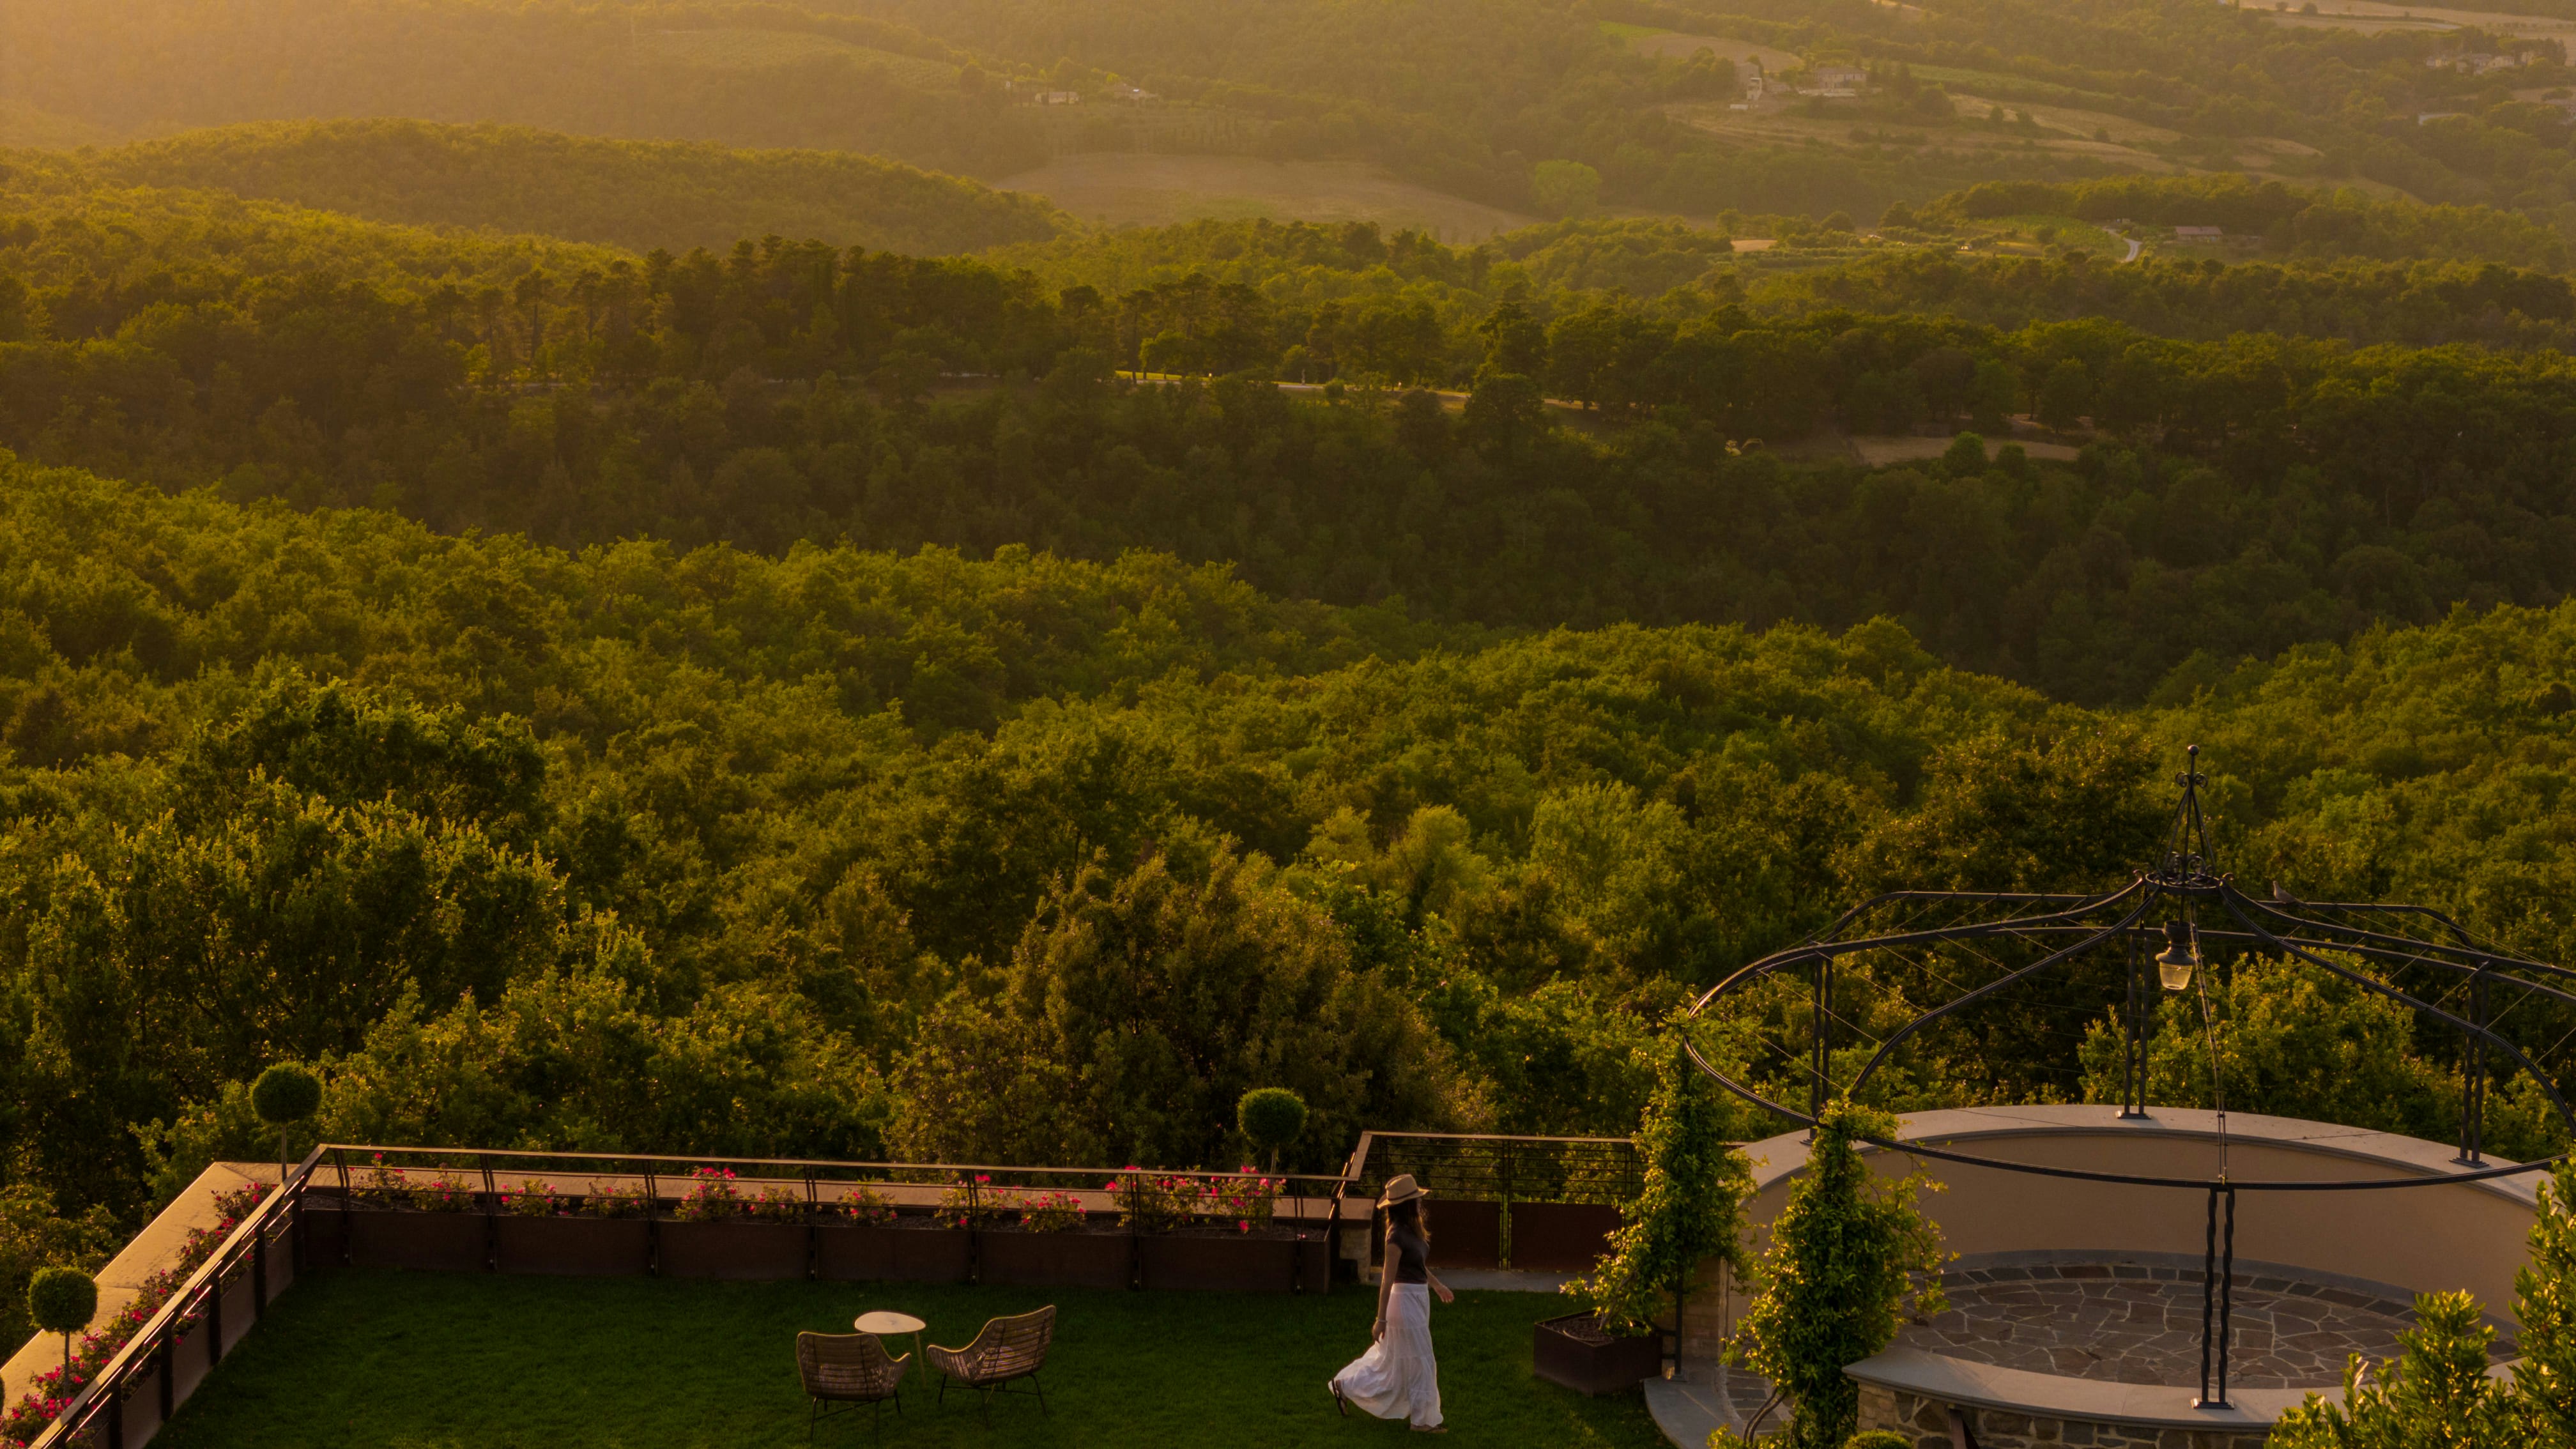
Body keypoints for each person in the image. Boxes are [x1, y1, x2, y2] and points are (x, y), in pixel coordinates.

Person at [1328, 1173, 1453, 1432]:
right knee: (1422, 1361)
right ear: (1407, 1205)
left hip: (1418, 1299)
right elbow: (1387, 1280)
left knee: (1391, 1365)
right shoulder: (1395, 1236)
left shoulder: (1413, 1230)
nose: (1420, 1202)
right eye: (1416, 1199)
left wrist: (1437, 1285)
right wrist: (1381, 1319)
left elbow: (1418, 1265)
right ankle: (1422, 1421)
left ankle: (1343, 1385)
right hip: (1404, 1302)